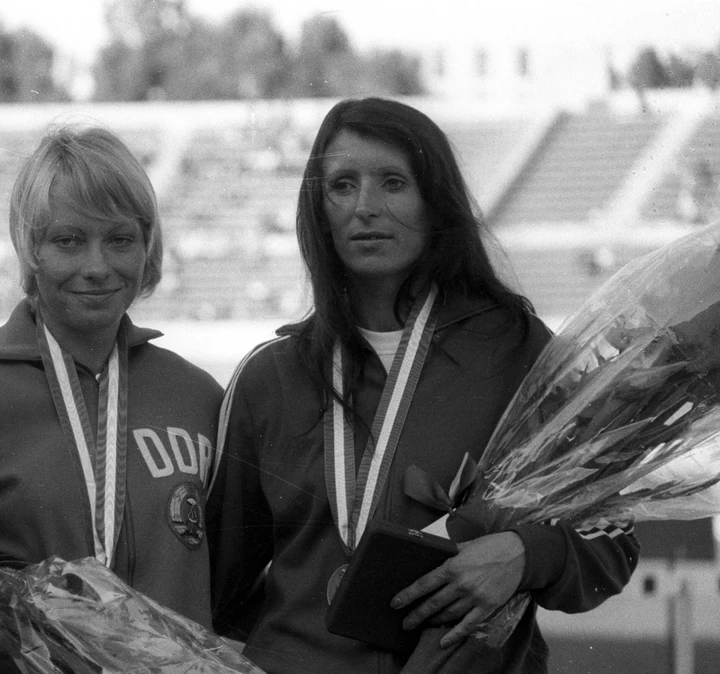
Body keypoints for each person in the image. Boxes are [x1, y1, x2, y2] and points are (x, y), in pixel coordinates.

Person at [206, 97, 640, 673]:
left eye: (393, 182)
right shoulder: (271, 378)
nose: (365, 208)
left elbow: (611, 538)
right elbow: (211, 587)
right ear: (319, 210)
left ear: (434, 202)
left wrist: (523, 555)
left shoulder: (516, 350)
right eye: (342, 185)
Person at [0, 125, 224, 673]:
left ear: (148, 248)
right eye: (68, 240)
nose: (97, 266)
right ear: (30, 250)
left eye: (120, 239)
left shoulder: (200, 398)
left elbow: (234, 576)